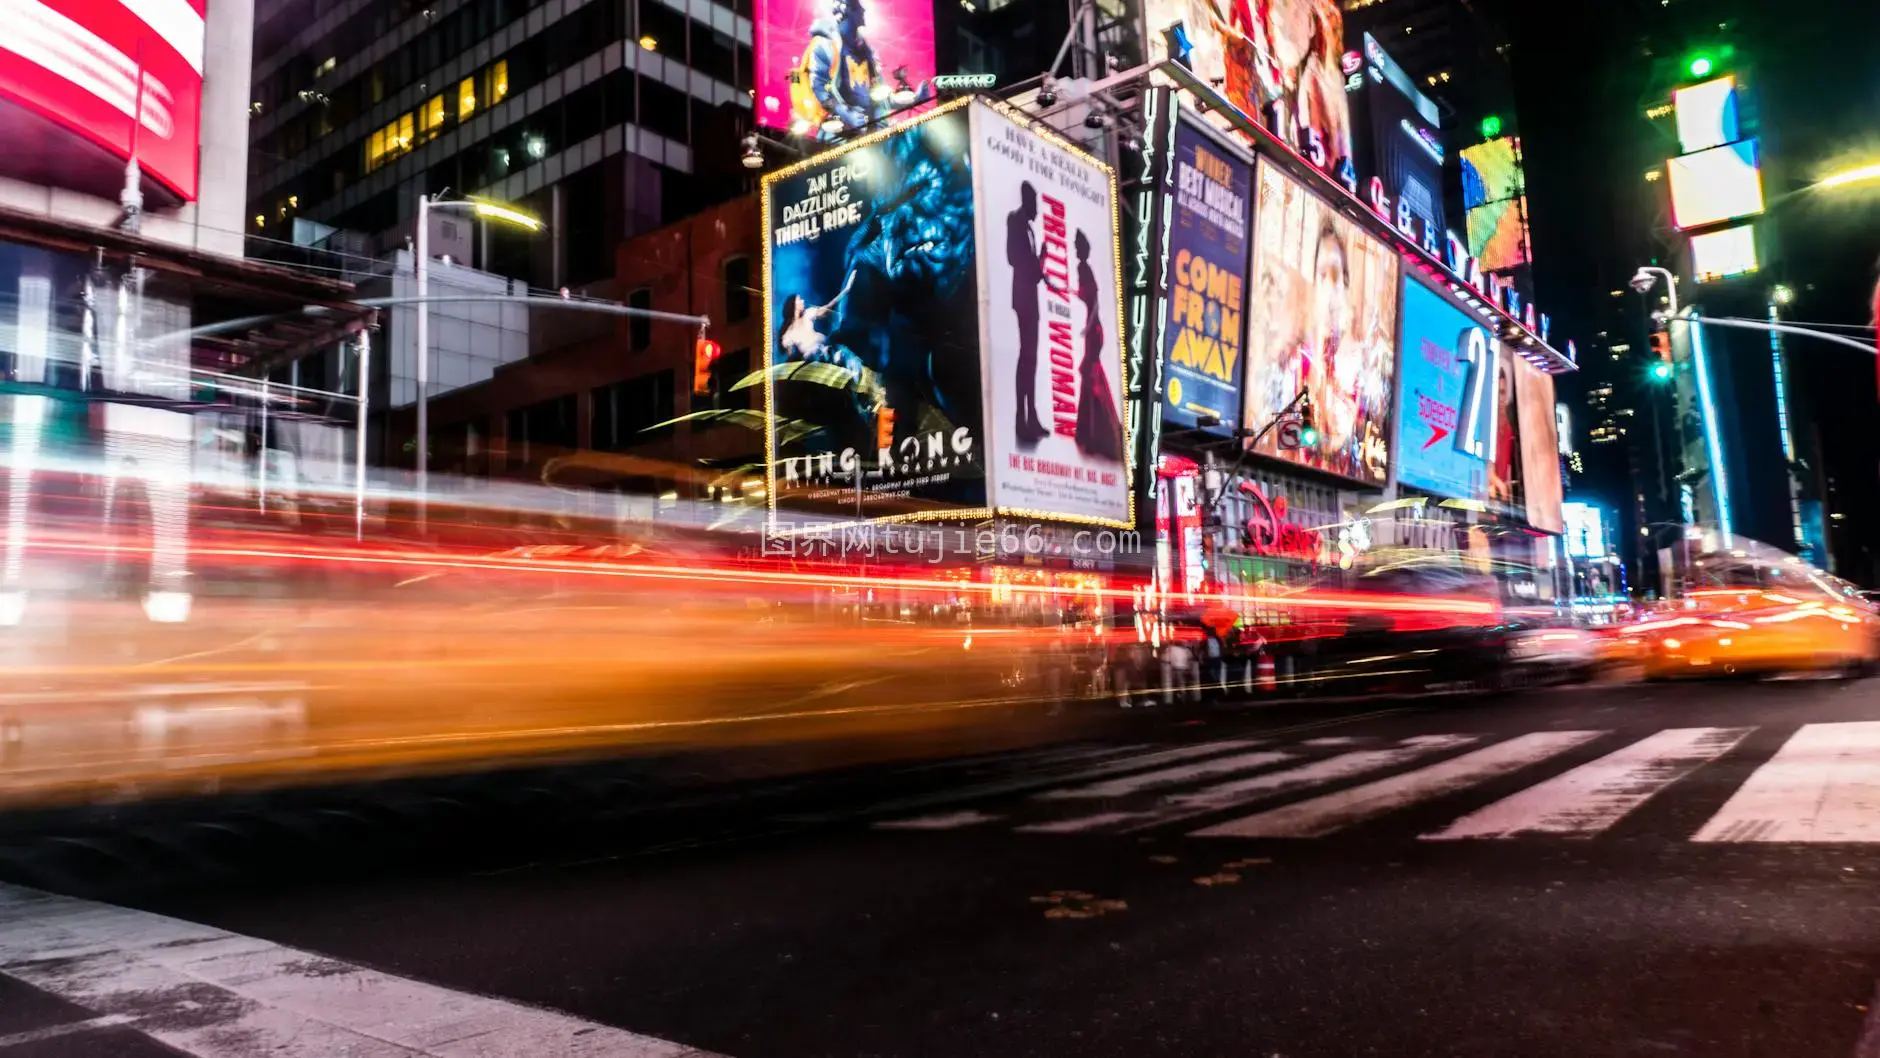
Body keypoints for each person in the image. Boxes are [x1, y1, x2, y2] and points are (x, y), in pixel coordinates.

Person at [793, 0, 884, 140]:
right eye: (856, 6)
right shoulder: (825, 46)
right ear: (845, 11)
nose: (863, 11)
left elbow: (879, 94)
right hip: (835, 133)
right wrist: (846, 114)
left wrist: (918, 99)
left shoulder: (868, 52)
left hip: (870, 133)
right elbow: (819, 88)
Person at [1072, 230, 1123, 460]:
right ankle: (1096, 434)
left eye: (1076, 245)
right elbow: (1087, 297)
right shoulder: (1083, 268)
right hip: (1094, 329)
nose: (1074, 248)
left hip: (1094, 330)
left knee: (1092, 379)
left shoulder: (1084, 268)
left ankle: (1100, 436)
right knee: (1091, 377)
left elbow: (1093, 303)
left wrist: (1088, 325)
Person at [1007, 182, 1048, 445]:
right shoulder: (1016, 221)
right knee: (1026, 359)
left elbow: (1033, 271)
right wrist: (1038, 262)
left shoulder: (1029, 226)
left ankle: (1030, 416)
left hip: (1030, 300)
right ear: (1027, 202)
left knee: (1030, 360)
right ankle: (1022, 419)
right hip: (1023, 299)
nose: (1038, 211)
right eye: (1035, 205)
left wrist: (1040, 262)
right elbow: (1014, 258)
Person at [778, 273, 855, 363]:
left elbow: (828, 307)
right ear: (794, 305)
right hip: (812, 361)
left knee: (841, 353)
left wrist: (846, 290)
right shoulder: (789, 334)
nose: (803, 301)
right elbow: (790, 357)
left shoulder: (808, 314)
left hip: (826, 351)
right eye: (799, 299)